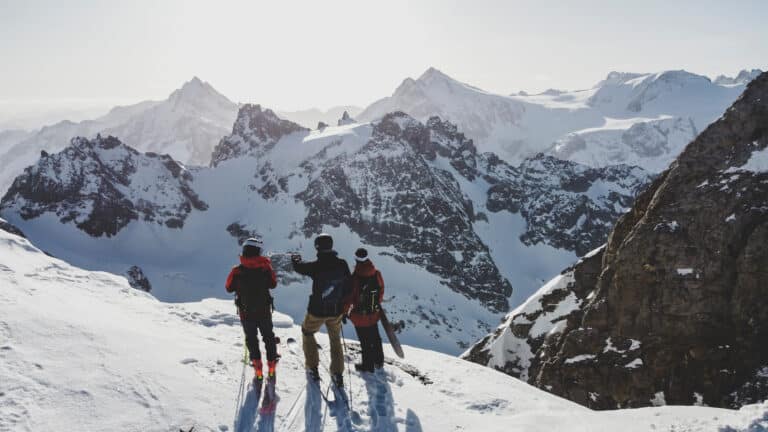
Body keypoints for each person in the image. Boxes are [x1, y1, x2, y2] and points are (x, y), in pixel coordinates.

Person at [291, 233, 351, 387]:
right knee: (335, 339)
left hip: (317, 311)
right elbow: (348, 287)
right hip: (336, 310)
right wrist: (344, 307)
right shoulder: (342, 264)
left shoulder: (316, 266)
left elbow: (300, 267)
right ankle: (337, 373)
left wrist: (295, 259)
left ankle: (312, 367)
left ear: (317, 247)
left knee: (307, 332)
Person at [225, 237, 278, 381]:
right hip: (264, 311)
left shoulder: (237, 271)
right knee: (268, 337)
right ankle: (272, 365)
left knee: (251, 339)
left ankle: (258, 367)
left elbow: (228, 288)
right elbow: (273, 284)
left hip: (246, 312)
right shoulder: (265, 268)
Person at [344, 248, 385, 372]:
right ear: (367, 258)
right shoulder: (376, 273)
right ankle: (379, 361)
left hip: (360, 317)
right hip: (373, 313)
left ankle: (368, 366)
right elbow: (381, 290)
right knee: (376, 337)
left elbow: (349, 298)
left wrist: (345, 312)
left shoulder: (355, 277)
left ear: (356, 259)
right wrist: (377, 304)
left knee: (365, 341)